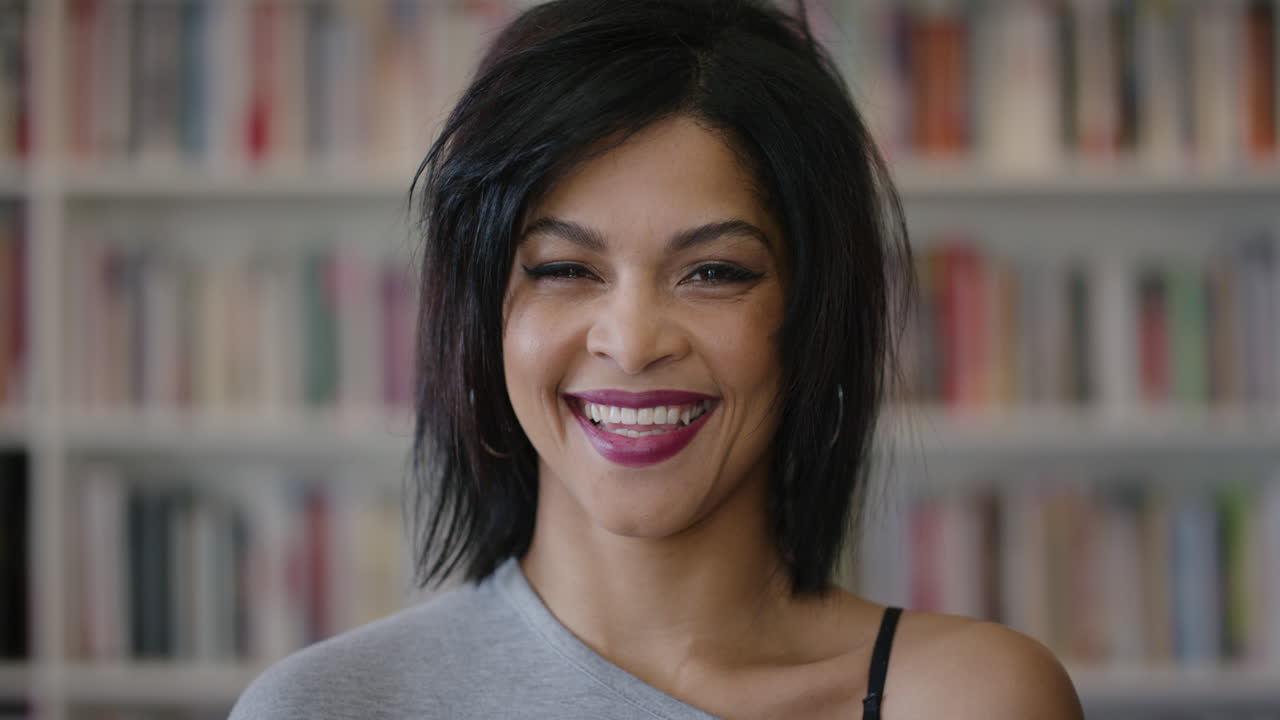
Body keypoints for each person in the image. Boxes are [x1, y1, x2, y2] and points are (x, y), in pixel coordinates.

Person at [230, 1, 1083, 718]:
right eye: (564, 269)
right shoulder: (322, 707)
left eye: (714, 272)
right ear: (481, 314)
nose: (633, 342)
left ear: (811, 310)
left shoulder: (969, 698)